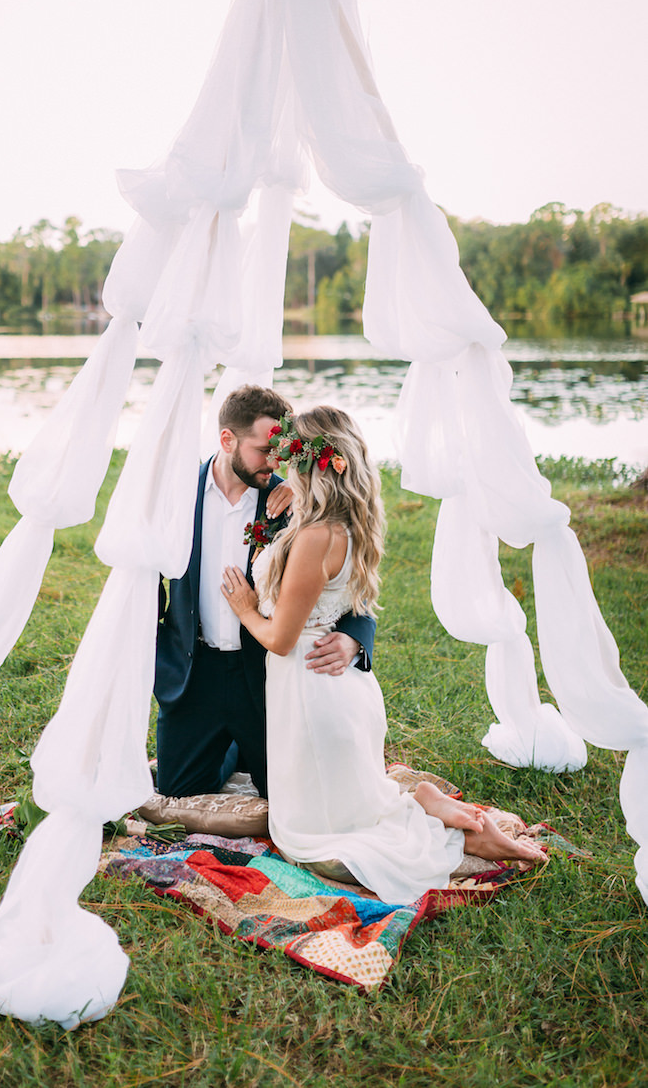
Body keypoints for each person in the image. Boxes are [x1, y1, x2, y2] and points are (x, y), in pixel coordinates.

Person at [221, 405, 547, 905]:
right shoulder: (343, 525)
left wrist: (245, 607)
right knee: (345, 816)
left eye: (290, 455)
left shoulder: (313, 537)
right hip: (337, 689)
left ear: (312, 463)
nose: (282, 464)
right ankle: (428, 808)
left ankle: (456, 831)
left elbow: (282, 638)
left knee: (310, 844)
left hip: (312, 690)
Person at [154, 386, 375, 800]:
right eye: (263, 450)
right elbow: (146, 581)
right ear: (227, 440)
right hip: (192, 671)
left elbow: (350, 581)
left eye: (281, 451)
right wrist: (153, 650)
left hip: (267, 678)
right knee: (177, 789)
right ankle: (228, 748)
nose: (275, 462)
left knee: (288, 796)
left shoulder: (299, 504)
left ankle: (247, 745)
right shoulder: (176, 496)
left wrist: (354, 637)